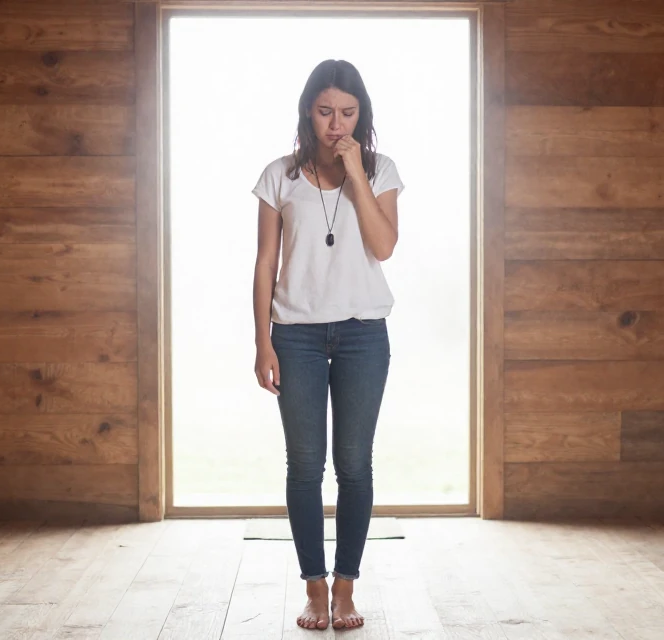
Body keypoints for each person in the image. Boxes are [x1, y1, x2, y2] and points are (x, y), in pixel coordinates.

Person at [251, 59, 404, 631]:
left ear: (361, 115)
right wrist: (263, 340)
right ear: (307, 112)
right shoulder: (279, 176)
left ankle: (346, 590)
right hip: (297, 336)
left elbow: (384, 246)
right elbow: (266, 261)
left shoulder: (381, 170)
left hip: (365, 333)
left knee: (355, 465)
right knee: (304, 467)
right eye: (324, 112)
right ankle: (314, 590)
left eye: (347, 112)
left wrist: (356, 174)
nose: (335, 124)